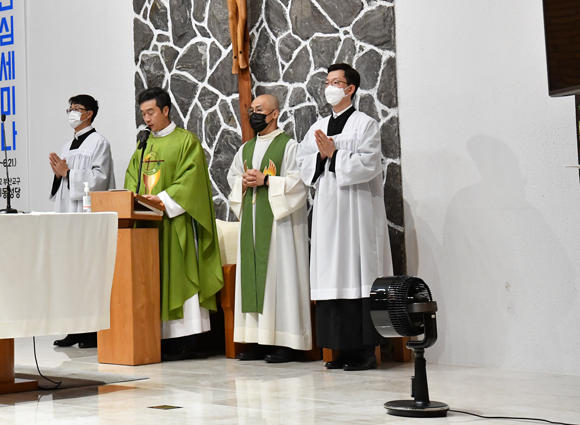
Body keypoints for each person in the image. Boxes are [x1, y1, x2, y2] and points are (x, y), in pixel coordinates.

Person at [298, 63, 393, 371]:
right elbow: (302, 165)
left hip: (356, 209)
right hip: (327, 210)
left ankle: (364, 352)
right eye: (327, 81)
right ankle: (340, 350)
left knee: (356, 273)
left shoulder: (365, 124)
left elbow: (370, 164)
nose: (330, 87)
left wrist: (335, 154)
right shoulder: (319, 126)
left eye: (336, 82)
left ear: (350, 89)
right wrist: (320, 154)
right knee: (332, 275)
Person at [123, 87, 223, 361]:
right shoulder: (144, 145)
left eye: (151, 112)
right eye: (143, 113)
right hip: (148, 225)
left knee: (178, 273)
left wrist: (163, 199)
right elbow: (132, 175)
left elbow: (191, 180)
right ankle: (158, 336)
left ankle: (186, 339)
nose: (147, 119)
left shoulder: (186, 141)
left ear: (166, 110)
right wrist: (136, 198)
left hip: (174, 221)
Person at [226, 94, 311, 363]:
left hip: (279, 226)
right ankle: (255, 339)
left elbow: (299, 184)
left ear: (274, 114)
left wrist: (267, 181)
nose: (254, 115)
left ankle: (286, 342)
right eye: (252, 110)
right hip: (251, 222)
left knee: (279, 277)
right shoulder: (246, 149)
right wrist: (244, 181)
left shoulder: (289, 147)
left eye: (260, 110)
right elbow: (232, 177)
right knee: (253, 278)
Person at [49, 94, 115, 350]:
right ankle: (74, 327)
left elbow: (101, 179)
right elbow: (62, 182)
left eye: (77, 109)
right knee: (69, 271)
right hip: (67, 212)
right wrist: (59, 175)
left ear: (89, 114)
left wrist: (70, 173)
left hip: (87, 215)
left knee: (89, 271)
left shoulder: (99, 142)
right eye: (70, 109)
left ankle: (92, 330)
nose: (72, 113)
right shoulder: (67, 146)